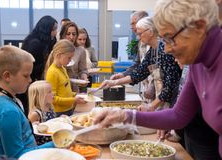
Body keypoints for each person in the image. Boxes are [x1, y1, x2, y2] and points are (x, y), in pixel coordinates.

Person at [94, 0, 222, 158]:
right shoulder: (196, 64)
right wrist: (124, 115)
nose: (166, 49)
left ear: (200, 27)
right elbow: (178, 115)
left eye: (169, 38)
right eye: (163, 39)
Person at [100, 17, 181, 112]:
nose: (138, 37)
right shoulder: (153, 50)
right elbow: (139, 72)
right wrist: (114, 83)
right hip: (162, 99)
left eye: (140, 33)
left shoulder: (165, 49)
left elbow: (170, 86)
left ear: (150, 32)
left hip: (173, 102)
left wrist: (151, 106)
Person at [0, 45, 54, 158]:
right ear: (7, 76)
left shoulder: (1, 97)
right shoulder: (7, 111)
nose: (30, 80)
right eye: (26, 75)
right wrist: (56, 144)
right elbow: (16, 156)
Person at [18, 15, 58, 115]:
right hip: (30, 82)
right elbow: (30, 66)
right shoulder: (34, 43)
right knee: (33, 110)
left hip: (37, 80)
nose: (55, 32)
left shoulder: (45, 41)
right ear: (46, 29)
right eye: (54, 29)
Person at [44, 39, 86, 117]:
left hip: (68, 109)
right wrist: (74, 100)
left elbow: (65, 91)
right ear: (59, 55)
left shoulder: (63, 68)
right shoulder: (52, 72)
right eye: (69, 58)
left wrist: (76, 94)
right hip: (59, 112)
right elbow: (53, 98)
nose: (70, 61)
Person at [110, 11, 148, 80]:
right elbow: (138, 64)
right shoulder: (140, 42)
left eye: (133, 23)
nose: (131, 27)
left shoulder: (157, 44)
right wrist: (123, 74)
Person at [59, 22, 88, 92]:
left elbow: (83, 70)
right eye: (68, 34)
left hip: (73, 89)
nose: (71, 37)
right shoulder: (57, 49)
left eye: (74, 34)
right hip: (59, 87)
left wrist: (84, 77)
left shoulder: (81, 50)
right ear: (63, 35)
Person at [28, 80, 55, 145]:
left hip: (53, 140)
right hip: (43, 145)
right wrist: (33, 125)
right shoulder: (35, 114)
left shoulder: (49, 107)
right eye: (49, 92)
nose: (53, 93)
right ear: (40, 96)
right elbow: (27, 132)